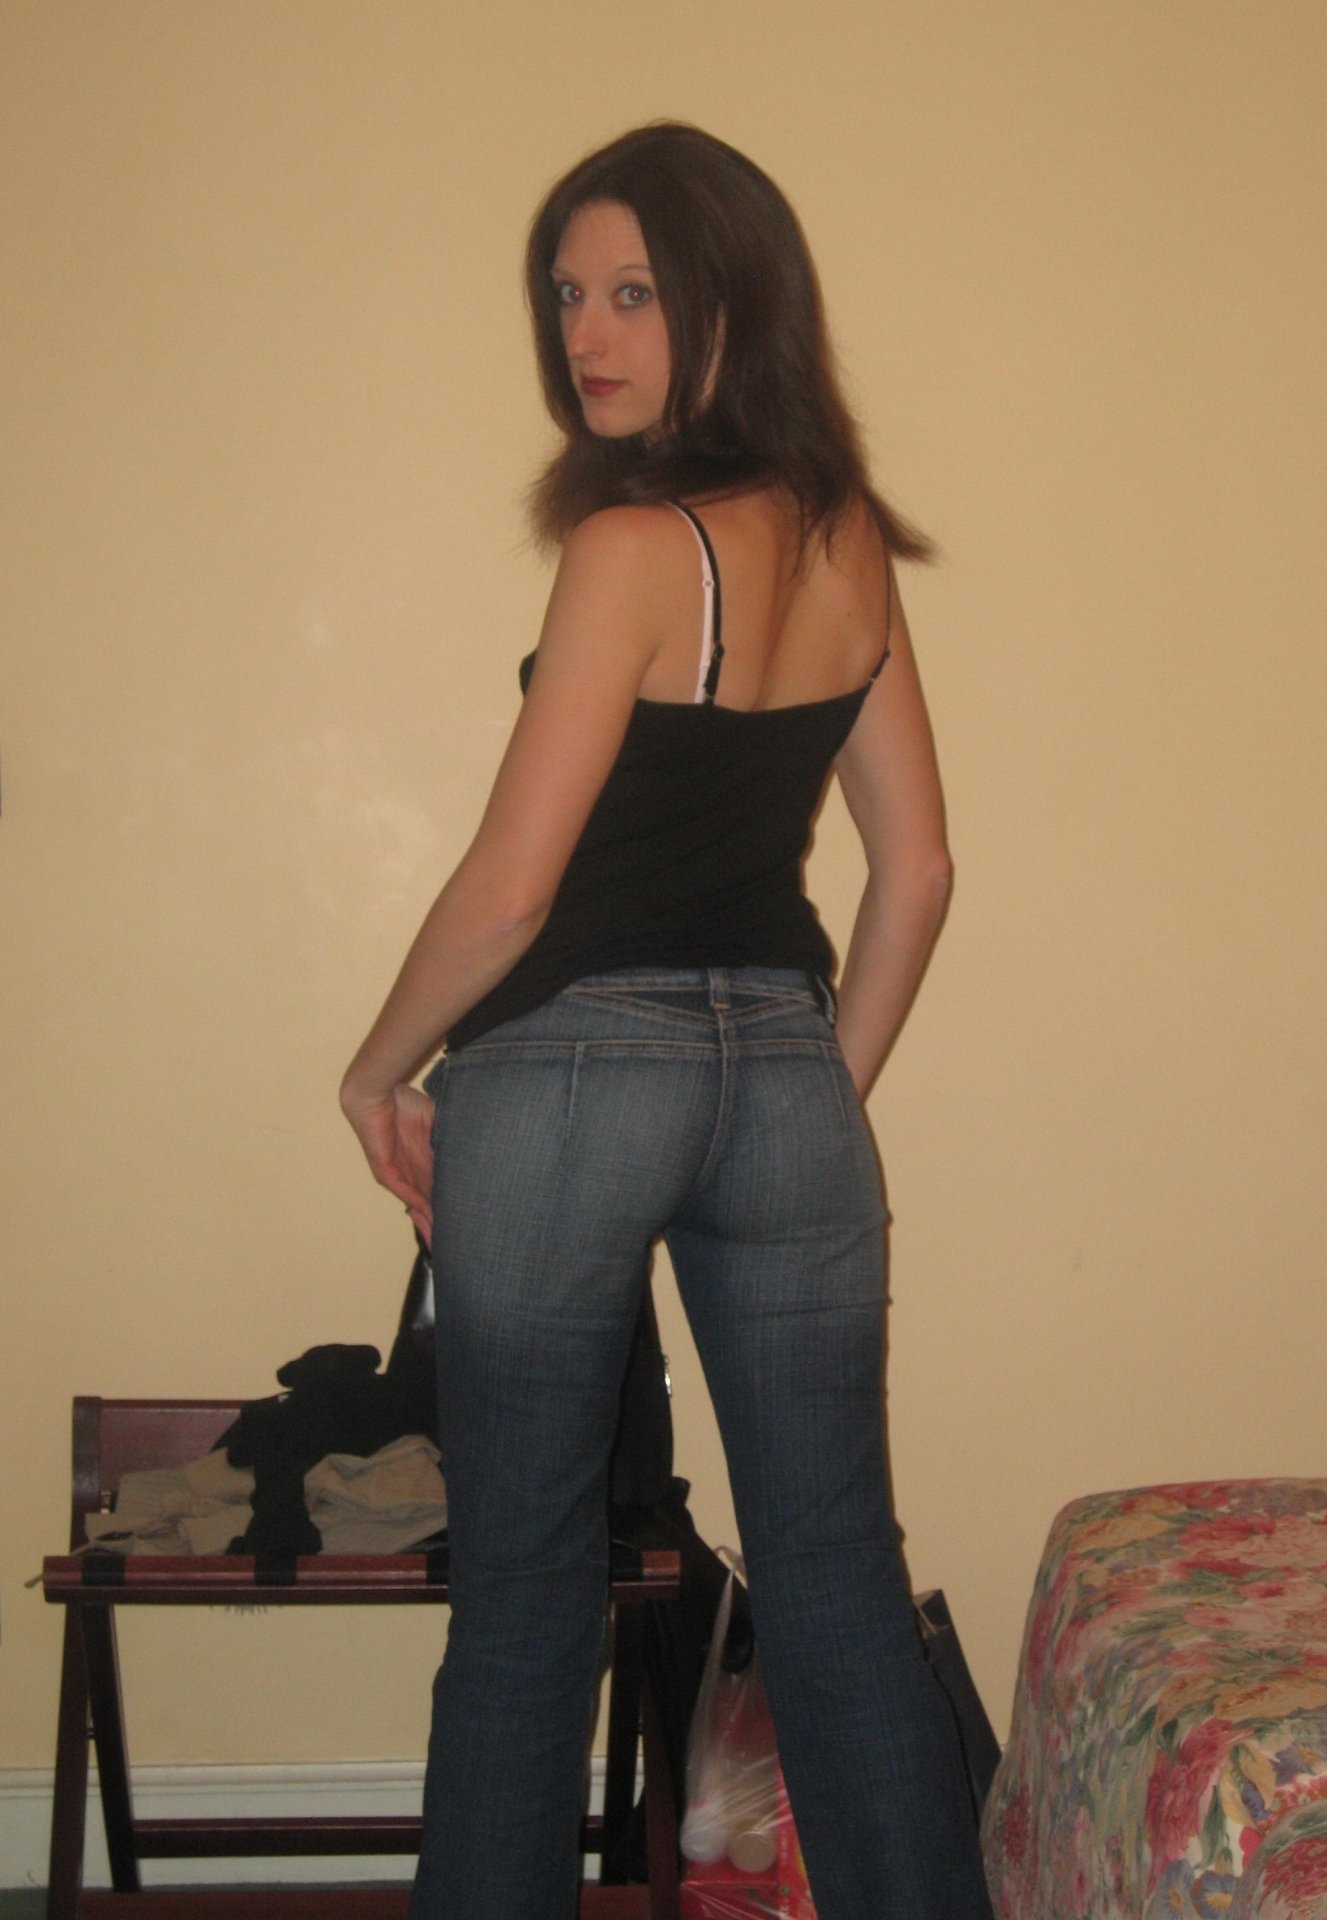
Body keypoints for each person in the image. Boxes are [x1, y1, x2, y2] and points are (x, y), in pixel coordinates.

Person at [341, 122, 989, 1920]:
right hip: (780, 1070)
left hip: (563, 1077)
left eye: (633, 293)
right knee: (836, 1576)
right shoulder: (848, 554)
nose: (586, 334)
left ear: (730, 302)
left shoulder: (632, 545)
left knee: (528, 1590)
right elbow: (919, 872)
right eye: (566, 295)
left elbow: (510, 892)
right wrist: (805, 1090)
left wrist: (376, 1072)